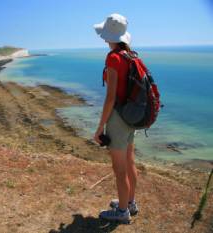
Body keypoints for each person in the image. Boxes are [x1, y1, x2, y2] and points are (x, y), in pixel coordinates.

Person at [93, 13, 139, 223]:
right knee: (130, 162)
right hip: (131, 117)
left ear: (110, 36)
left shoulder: (113, 58)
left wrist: (100, 127)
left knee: (119, 169)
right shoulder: (131, 56)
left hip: (118, 119)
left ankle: (122, 212)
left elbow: (110, 97)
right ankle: (129, 202)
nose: (103, 39)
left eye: (105, 35)